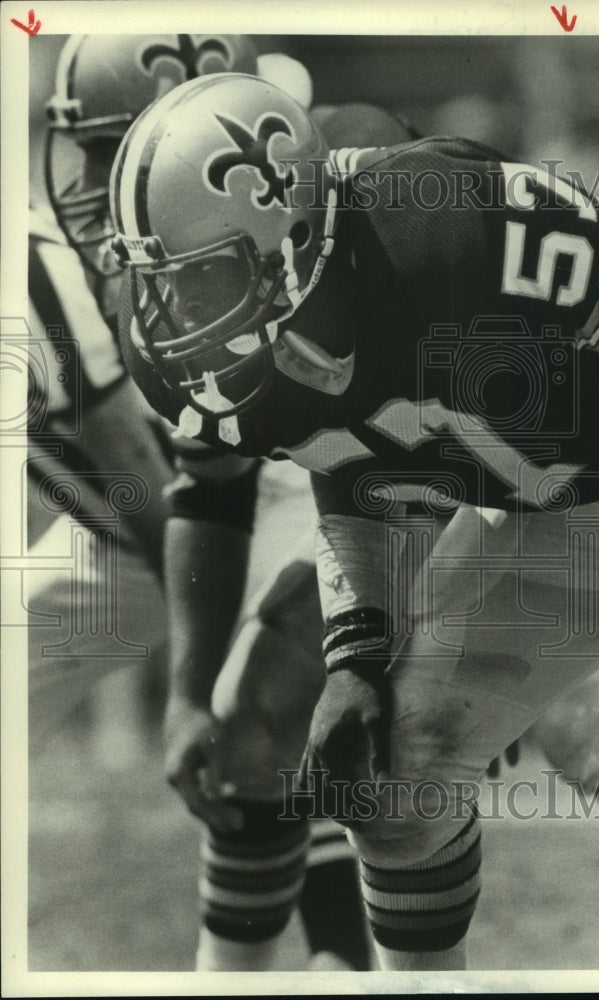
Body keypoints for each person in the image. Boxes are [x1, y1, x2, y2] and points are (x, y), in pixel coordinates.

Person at [110, 72, 599, 972]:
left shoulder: (458, 223)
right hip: (560, 517)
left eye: (204, 281)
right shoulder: (260, 349)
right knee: (398, 784)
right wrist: (356, 656)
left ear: (292, 239)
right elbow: (358, 473)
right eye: (163, 285)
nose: (175, 318)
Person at [32, 34, 373, 973]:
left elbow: (149, 461)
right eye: (96, 149)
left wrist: (199, 664)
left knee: (267, 714)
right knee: (253, 719)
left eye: (120, 147)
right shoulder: (114, 254)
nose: (98, 179)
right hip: (198, 496)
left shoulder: (297, 217)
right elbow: (183, 473)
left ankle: (343, 956)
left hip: (340, 486)